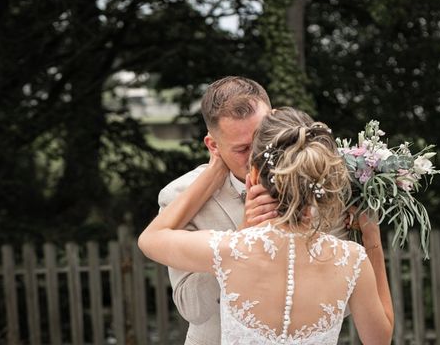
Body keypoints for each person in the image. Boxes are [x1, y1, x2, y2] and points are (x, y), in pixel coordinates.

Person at [141, 107, 394, 344]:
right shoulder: (351, 259)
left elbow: (150, 239)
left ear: (253, 174)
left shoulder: (229, 250)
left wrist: (216, 167)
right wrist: (372, 240)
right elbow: (379, 339)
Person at [157, 76, 278, 345]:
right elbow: (193, 308)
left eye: (264, 138)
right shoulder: (178, 198)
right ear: (213, 146)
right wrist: (240, 240)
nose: (258, 154)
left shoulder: (311, 180)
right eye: (243, 149)